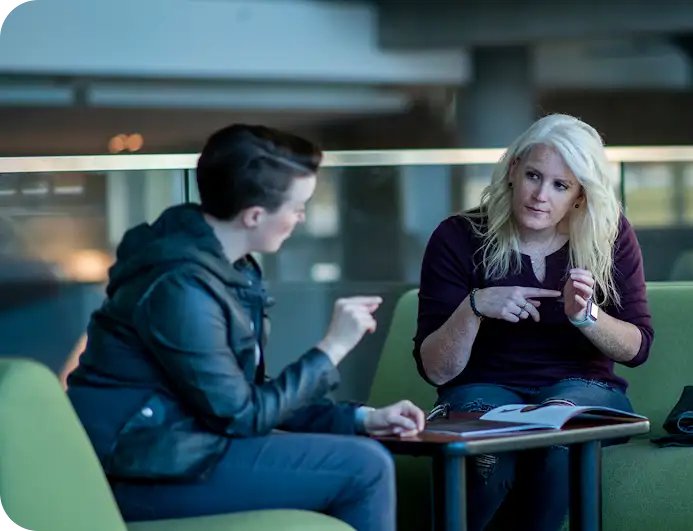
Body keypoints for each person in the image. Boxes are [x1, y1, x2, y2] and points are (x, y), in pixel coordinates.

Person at [66, 124, 425, 531]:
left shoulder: (226, 270)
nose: (301, 218)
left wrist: (362, 420)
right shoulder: (179, 286)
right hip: (142, 473)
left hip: (184, 452)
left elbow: (242, 397)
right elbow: (241, 415)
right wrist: (333, 346)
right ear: (254, 215)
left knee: (357, 455)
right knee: (365, 467)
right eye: (297, 206)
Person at [414, 114, 654, 531]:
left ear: (579, 196)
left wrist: (587, 317)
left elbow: (637, 348)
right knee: (486, 452)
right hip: (482, 387)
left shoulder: (608, 234)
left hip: (582, 387)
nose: (541, 195)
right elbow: (436, 369)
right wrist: (474, 306)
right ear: (513, 170)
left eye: (560, 185)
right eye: (533, 176)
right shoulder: (457, 236)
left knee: (560, 429)